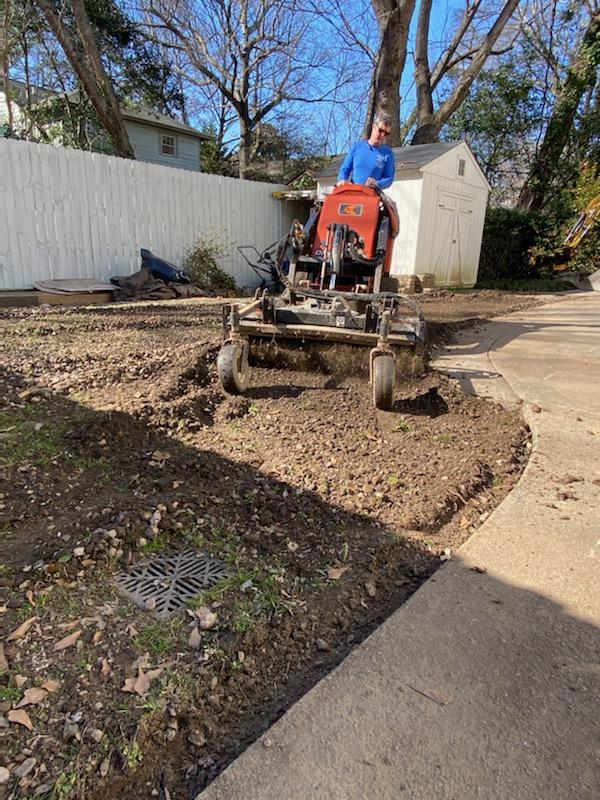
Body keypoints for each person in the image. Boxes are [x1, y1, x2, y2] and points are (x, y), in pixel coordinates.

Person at [336, 113, 395, 190]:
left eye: (386, 133)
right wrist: (342, 179)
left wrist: (377, 183)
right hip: (353, 193)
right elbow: (345, 169)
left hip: (372, 196)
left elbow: (389, 178)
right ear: (374, 126)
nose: (382, 135)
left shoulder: (387, 153)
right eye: (380, 131)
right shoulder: (357, 147)